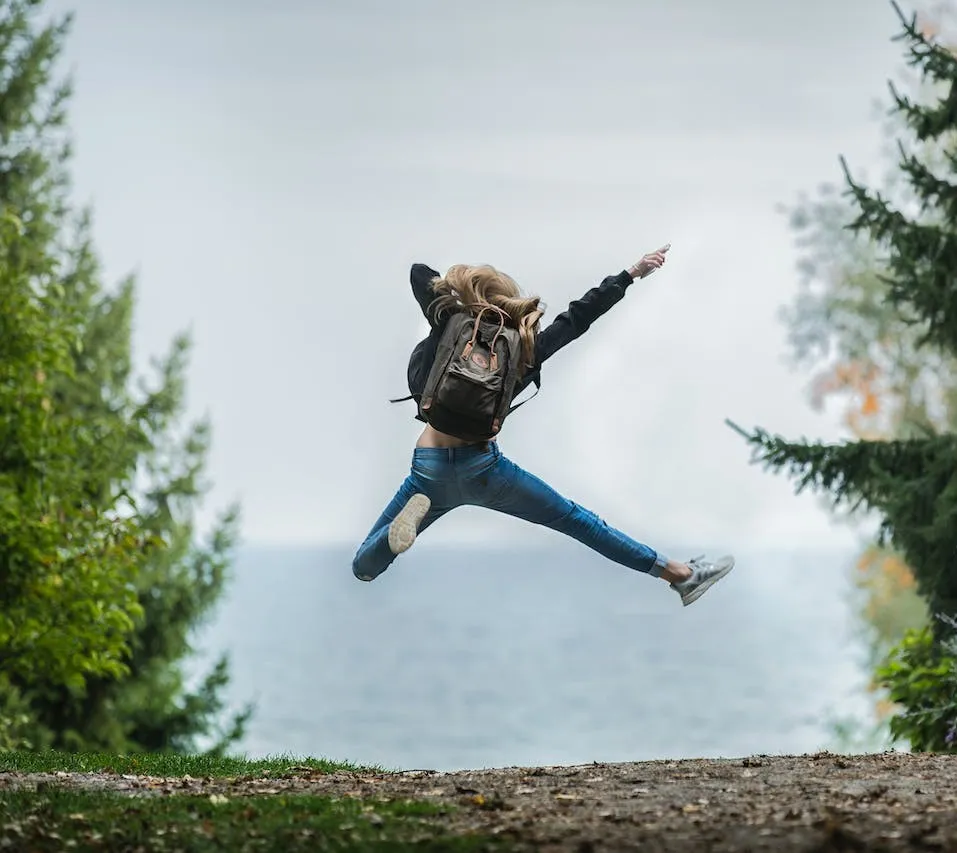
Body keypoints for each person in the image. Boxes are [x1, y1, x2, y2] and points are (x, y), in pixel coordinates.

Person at [351, 247, 734, 606]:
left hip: (429, 469)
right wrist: (630, 274)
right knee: (578, 521)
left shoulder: (449, 322)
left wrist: (461, 297)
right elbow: (578, 318)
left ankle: (391, 539)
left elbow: (420, 273)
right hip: (484, 470)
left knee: (363, 567)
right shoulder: (524, 348)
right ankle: (679, 575)